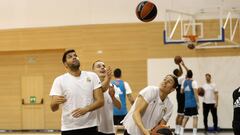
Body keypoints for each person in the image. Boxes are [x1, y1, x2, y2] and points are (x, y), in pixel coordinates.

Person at [49, 49, 104, 135]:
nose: (74, 57)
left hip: (90, 126)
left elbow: (100, 101)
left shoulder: (92, 76)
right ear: (65, 64)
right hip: (69, 128)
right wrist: (55, 103)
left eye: (75, 55)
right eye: (70, 57)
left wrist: (86, 109)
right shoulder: (59, 80)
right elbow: (53, 108)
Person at [92, 60, 121, 135]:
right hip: (94, 128)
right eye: (99, 66)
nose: (102, 67)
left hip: (109, 129)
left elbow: (119, 106)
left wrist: (113, 96)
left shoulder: (113, 86)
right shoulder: (90, 86)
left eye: (104, 66)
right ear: (93, 71)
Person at [180, 70, 199, 135]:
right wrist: (198, 103)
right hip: (193, 103)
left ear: (187, 75)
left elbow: (181, 92)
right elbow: (196, 94)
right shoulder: (194, 82)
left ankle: (181, 132)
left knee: (185, 117)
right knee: (195, 117)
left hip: (186, 104)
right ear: (192, 75)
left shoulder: (183, 82)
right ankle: (194, 133)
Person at [172, 61, 188, 135]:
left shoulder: (176, 79)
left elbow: (181, 72)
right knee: (182, 115)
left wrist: (179, 65)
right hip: (182, 98)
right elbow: (189, 72)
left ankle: (176, 130)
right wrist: (183, 65)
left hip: (179, 97)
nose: (180, 72)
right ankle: (178, 132)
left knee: (179, 114)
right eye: (179, 71)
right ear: (178, 73)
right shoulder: (181, 78)